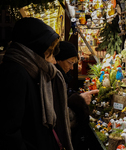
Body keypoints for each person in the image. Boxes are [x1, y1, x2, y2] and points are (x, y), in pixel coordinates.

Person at [0, 17, 73, 150]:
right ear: (35, 50)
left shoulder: (32, 72)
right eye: (49, 54)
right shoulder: (15, 74)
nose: (54, 62)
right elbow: (9, 131)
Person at [55, 41, 103, 150]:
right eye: (70, 63)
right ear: (59, 60)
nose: (72, 68)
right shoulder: (55, 78)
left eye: (73, 63)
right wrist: (79, 99)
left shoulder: (63, 77)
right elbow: (59, 105)